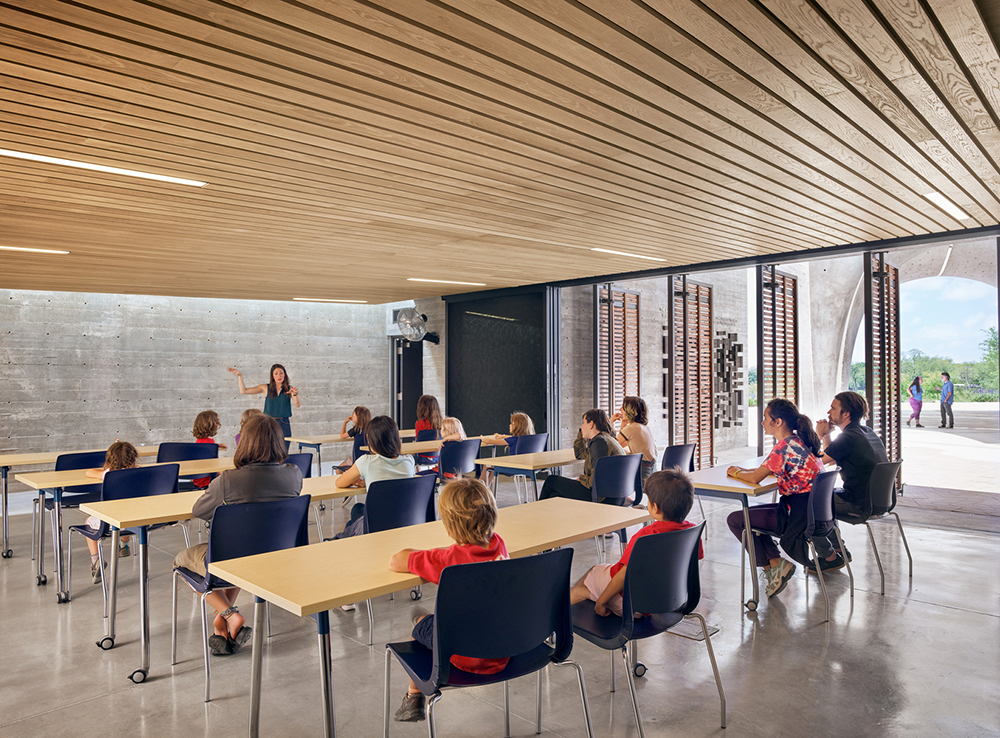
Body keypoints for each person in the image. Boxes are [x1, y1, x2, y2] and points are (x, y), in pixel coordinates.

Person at [172, 415, 303, 656]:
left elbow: (199, 511)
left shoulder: (228, 479)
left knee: (182, 559)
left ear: (246, 443)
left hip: (231, 559)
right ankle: (221, 624)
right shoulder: (294, 473)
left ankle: (230, 615)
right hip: (277, 558)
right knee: (243, 557)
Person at [388, 478, 509, 722]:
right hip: (504, 648)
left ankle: (414, 696)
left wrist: (429, 553)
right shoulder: (499, 545)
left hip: (464, 655)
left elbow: (397, 560)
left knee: (420, 622)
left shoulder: (447, 560)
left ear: (449, 527)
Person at [725, 399, 831, 597]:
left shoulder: (783, 447)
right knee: (748, 517)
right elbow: (776, 470)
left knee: (737, 519)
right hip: (812, 514)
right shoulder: (802, 442)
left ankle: (772, 567)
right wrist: (747, 470)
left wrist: (736, 474)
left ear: (778, 422)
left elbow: (756, 478)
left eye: (765, 418)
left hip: (796, 517)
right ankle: (775, 564)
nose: (762, 423)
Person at [571, 469, 703, 616]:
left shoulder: (645, 537)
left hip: (630, 603)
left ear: (655, 508)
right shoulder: (692, 532)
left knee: (590, 575)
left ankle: (556, 622)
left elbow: (623, 575)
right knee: (595, 577)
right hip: (667, 600)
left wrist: (601, 602)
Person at [816, 391, 889, 572]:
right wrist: (827, 437)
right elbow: (832, 457)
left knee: (808, 503)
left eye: (833, 408)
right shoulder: (866, 431)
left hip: (859, 503)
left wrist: (821, 435)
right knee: (824, 498)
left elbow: (818, 462)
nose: (828, 412)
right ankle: (839, 548)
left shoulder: (848, 437)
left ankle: (829, 556)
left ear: (845, 414)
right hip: (879, 502)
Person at [332, 415, 416, 540]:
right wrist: (369, 481)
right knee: (358, 511)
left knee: (356, 511)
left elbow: (339, 483)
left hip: (377, 524)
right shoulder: (409, 460)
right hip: (406, 521)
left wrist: (364, 481)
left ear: (372, 441)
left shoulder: (366, 461)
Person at [538, 409, 624, 502]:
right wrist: (582, 432)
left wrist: (582, 479)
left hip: (602, 496)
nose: (581, 427)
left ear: (591, 424)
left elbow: (593, 481)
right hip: (615, 494)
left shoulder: (599, 442)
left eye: (583, 423)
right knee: (554, 495)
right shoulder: (605, 439)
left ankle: (535, 513)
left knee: (551, 481)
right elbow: (579, 454)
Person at [83, 441, 139, 582]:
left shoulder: (108, 474)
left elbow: (88, 472)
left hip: (110, 521)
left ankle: (96, 560)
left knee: (88, 523)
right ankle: (124, 546)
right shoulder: (139, 471)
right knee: (126, 517)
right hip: (136, 520)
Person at [227, 365, 300, 449]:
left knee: (284, 450)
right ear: (272, 376)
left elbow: (297, 404)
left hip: (284, 423)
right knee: (268, 450)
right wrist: (240, 376)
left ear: (285, 375)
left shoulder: (290, 389)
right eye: (276, 373)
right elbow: (244, 391)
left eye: (281, 373)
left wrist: (295, 394)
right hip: (269, 423)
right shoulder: (265, 387)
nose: (279, 376)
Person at [612, 396, 658, 507]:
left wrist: (610, 421)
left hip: (641, 474)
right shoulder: (642, 427)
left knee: (609, 481)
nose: (619, 409)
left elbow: (613, 446)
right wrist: (623, 424)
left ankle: (623, 503)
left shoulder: (631, 428)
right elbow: (622, 444)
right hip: (650, 471)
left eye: (623, 407)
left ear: (630, 411)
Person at [479, 411, 535, 484]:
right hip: (526, 467)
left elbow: (492, 441)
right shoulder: (528, 438)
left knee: (486, 465)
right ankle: (486, 489)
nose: (509, 425)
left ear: (517, 427)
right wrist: (503, 436)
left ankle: (480, 487)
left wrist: (483, 438)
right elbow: (513, 438)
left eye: (512, 423)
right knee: (493, 467)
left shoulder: (512, 440)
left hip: (513, 468)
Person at [191, 410, 228, 489]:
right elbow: (214, 468)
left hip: (198, 480)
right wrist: (225, 476)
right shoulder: (210, 446)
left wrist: (217, 445)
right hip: (208, 482)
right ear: (215, 424)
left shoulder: (201, 441)